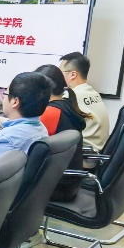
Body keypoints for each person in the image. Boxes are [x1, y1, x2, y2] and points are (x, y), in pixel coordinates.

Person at [36, 63, 88, 201]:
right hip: (69, 182)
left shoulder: (50, 112)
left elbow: (26, 133)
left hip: (56, 186)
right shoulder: (66, 105)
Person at [0, 72, 51, 164]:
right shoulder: (40, 128)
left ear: (15, 102)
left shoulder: (5, 139)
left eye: (5, 94)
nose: (3, 98)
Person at [58, 52, 110, 151]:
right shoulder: (94, 93)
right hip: (97, 151)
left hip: (82, 154)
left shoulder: (70, 97)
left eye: (60, 72)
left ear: (73, 74)